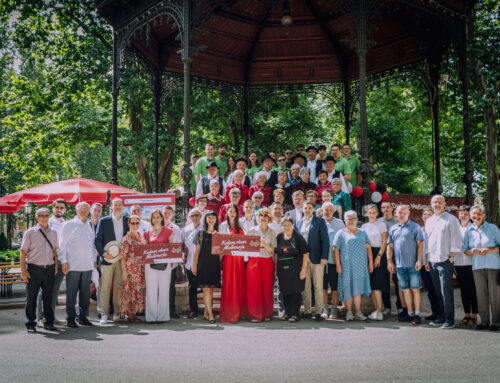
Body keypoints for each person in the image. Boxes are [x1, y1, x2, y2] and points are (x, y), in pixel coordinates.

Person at [425, 194, 462, 329]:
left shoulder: (451, 220)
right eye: (435, 202)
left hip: (445, 260)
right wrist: (427, 260)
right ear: (431, 204)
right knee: (437, 291)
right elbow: (428, 242)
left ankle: (449, 319)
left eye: (440, 202)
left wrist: (451, 258)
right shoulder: (429, 221)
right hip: (433, 261)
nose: (437, 205)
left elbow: (456, 241)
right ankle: (440, 316)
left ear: (445, 204)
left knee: (446, 291)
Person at [21, 208, 59, 333]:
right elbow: (23, 252)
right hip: (33, 269)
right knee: (31, 298)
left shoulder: (53, 232)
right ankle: (31, 324)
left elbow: (55, 250)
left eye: (47, 215)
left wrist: (56, 266)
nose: (44, 218)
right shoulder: (30, 232)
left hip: (49, 269)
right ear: (37, 218)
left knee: (48, 298)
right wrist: (23, 270)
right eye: (42, 216)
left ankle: (48, 322)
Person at [463, 205, 500, 331]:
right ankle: (484, 321)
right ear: (470, 215)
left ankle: (495, 322)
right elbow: (465, 250)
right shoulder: (469, 231)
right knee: (481, 295)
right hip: (477, 266)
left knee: (495, 295)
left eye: (479, 214)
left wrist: (489, 250)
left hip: (493, 265)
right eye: (474, 214)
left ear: (484, 215)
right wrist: (472, 250)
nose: (476, 216)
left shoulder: (492, 228)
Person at [59, 202, 97, 328]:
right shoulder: (69, 225)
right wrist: (64, 261)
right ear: (76, 209)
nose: (84, 211)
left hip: (87, 265)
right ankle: (70, 318)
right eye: (82, 208)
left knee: (85, 294)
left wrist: (94, 262)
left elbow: (92, 245)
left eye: (87, 208)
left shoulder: (90, 224)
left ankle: (83, 317)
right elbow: (62, 245)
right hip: (73, 265)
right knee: (71, 294)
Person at [387, 205, 424, 325]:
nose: (401, 214)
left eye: (403, 212)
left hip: (413, 264)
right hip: (399, 266)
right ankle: (410, 313)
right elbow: (390, 246)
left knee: (415, 290)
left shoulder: (415, 227)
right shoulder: (393, 229)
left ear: (408, 213)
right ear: (396, 214)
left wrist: (419, 260)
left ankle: (417, 315)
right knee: (405, 291)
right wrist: (389, 261)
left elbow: (420, 245)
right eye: (399, 212)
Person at [333, 210, 373, 321]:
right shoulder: (340, 233)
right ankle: (349, 312)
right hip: (346, 266)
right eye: (348, 219)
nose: (350, 221)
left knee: (357, 289)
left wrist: (370, 262)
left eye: (352, 219)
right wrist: (338, 265)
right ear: (345, 221)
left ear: (357, 220)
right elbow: (335, 249)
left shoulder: (363, 232)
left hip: (360, 265)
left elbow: (368, 248)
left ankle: (358, 312)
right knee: (348, 289)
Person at [95, 197, 129, 324]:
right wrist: (103, 253)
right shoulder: (104, 221)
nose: (118, 207)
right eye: (116, 205)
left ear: (123, 206)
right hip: (107, 259)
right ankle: (104, 314)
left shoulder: (127, 221)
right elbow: (97, 239)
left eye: (120, 204)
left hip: (122, 260)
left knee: (118, 287)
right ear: (111, 206)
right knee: (105, 287)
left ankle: (117, 313)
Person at [296, 201, 329, 321]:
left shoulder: (319, 221)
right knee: (305, 287)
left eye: (310, 208)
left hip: (317, 258)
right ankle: (307, 310)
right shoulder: (299, 223)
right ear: (303, 209)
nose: (308, 210)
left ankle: (319, 312)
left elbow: (325, 240)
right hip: (303, 259)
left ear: (313, 209)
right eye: (306, 208)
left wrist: (324, 256)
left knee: (318, 286)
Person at [37, 198, 66, 326]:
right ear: (53, 208)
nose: (59, 210)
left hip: (61, 261)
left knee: (54, 290)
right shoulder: (47, 223)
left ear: (65, 210)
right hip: (49, 261)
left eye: (62, 208)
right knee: (43, 290)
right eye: (57, 207)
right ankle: (40, 318)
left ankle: (51, 316)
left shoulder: (65, 223)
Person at [275, 216, 309, 322]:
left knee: (295, 292)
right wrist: (276, 268)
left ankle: (295, 314)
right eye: (284, 225)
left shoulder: (298, 237)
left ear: (293, 225)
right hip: (282, 269)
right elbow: (276, 254)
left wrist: (303, 270)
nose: (286, 227)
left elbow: (306, 253)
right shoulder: (279, 237)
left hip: (296, 269)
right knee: (285, 291)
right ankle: (287, 313)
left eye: (288, 225)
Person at [144, 209, 174, 323]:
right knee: (151, 290)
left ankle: (162, 316)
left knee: (164, 290)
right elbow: (144, 250)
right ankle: (151, 317)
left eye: (158, 217)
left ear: (162, 218)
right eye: (154, 217)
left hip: (165, 265)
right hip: (150, 265)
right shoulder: (147, 233)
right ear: (151, 219)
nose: (156, 219)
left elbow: (172, 248)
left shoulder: (169, 231)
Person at [247, 208, 276, 322]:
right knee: (254, 289)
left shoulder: (272, 232)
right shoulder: (251, 231)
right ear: (257, 218)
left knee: (267, 288)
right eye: (260, 215)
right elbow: (246, 249)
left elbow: (272, 249)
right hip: (254, 261)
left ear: (269, 218)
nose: (263, 217)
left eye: (265, 215)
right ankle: (255, 315)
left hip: (267, 261)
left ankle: (267, 314)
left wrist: (264, 244)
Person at [219, 204, 247, 323]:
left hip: (240, 258)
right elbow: (220, 243)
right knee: (230, 284)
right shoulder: (223, 226)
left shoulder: (241, 225)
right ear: (226, 212)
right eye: (230, 211)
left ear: (237, 213)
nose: (232, 213)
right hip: (229, 259)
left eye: (234, 211)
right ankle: (230, 313)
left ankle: (241, 312)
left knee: (240, 283)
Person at [192, 211, 221, 323]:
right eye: (209, 217)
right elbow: (196, 252)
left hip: (214, 265)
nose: (211, 219)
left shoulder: (218, 234)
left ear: (216, 220)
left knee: (211, 291)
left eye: (213, 217)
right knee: (206, 290)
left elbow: (221, 252)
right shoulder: (200, 233)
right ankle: (211, 315)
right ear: (206, 219)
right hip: (203, 265)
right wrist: (194, 266)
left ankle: (205, 313)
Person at [361, 205, 389, 320]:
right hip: (368, 253)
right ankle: (376, 310)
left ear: (377, 213)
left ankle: (380, 311)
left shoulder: (381, 224)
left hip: (379, 253)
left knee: (377, 284)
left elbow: (384, 242)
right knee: (372, 285)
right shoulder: (364, 226)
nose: (371, 214)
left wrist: (378, 257)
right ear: (366, 213)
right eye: (369, 212)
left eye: (374, 212)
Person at [454, 206, 478, 327]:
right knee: (463, 291)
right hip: (459, 263)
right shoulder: (456, 229)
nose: (462, 215)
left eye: (465, 214)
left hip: (472, 263)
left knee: (473, 290)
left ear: (469, 216)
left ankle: (474, 316)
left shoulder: (474, 228)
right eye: (461, 213)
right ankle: (466, 314)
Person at [378, 201, 403, 316]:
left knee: (397, 280)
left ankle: (400, 306)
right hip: (383, 254)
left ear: (392, 208)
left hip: (396, 253)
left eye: (388, 207)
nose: (386, 209)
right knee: (383, 281)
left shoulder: (397, 220)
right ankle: (387, 306)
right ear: (381, 210)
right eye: (383, 207)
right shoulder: (378, 222)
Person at [120, 214, 146, 323]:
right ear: (129, 224)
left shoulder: (140, 236)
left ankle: (134, 314)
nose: (135, 225)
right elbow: (123, 257)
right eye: (133, 223)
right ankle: (130, 315)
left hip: (140, 268)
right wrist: (124, 272)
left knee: (137, 290)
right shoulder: (126, 238)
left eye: (137, 223)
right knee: (130, 291)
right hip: (131, 268)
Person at [321, 202, 345, 320]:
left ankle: (334, 309)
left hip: (335, 260)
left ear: (333, 211)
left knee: (335, 286)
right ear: (322, 211)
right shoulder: (318, 222)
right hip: (322, 261)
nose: (328, 212)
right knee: (324, 286)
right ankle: (325, 308)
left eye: (330, 209)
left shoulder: (339, 223)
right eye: (326, 209)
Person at [182, 208, 203, 318]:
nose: (195, 218)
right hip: (190, 262)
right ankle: (194, 310)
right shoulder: (185, 230)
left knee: (205, 287)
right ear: (189, 218)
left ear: (200, 216)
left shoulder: (205, 228)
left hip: (203, 262)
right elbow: (181, 245)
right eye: (192, 216)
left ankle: (207, 309)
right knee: (192, 287)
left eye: (197, 215)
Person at [420, 207, 440, 321]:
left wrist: (427, 261)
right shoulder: (420, 229)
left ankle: (440, 313)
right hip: (422, 263)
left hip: (431, 262)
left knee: (435, 289)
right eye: (424, 214)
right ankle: (434, 312)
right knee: (429, 290)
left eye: (429, 214)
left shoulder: (435, 228)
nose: (426, 216)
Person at [163, 205, 182, 319]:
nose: (166, 215)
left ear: (172, 215)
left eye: (168, 213)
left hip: (171, 263)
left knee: (171, 287)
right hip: (159, 262)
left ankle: (171, 310)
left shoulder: (176, 228)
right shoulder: (157, 227)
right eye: (165, 213)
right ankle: (162, 309)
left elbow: (178, 245)